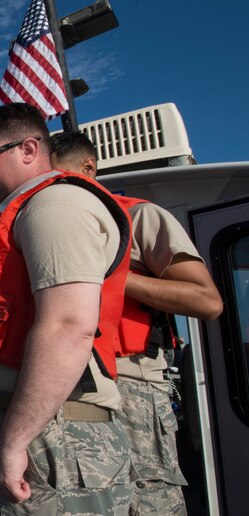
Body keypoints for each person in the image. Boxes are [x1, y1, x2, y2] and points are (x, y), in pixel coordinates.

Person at [0, 103, 134, 515]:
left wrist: (15, 441)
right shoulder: (31, 211)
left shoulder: (55, 206)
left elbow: (68, 326)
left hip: (55, 437)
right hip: (38, 429)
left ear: (29, 149)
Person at [51, 131, 223, 515]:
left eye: (60, 180)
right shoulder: (51, 230)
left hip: (134, 385)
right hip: (71, 386)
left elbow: (207, 301)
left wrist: (110, 276)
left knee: (150, 503)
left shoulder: (140, 217)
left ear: (88, 169)